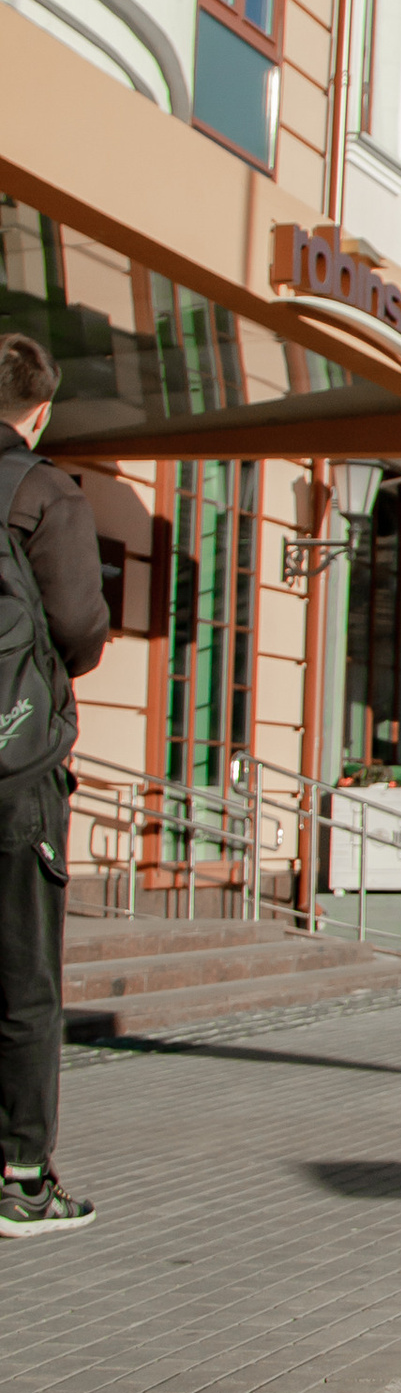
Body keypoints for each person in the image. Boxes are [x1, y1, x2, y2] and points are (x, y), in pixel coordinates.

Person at [0, 334, 108, 1239]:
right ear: (39, 413)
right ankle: (24, 1178)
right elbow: (78, 627)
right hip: (14, 765)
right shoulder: (44, 493)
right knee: (24, 974)